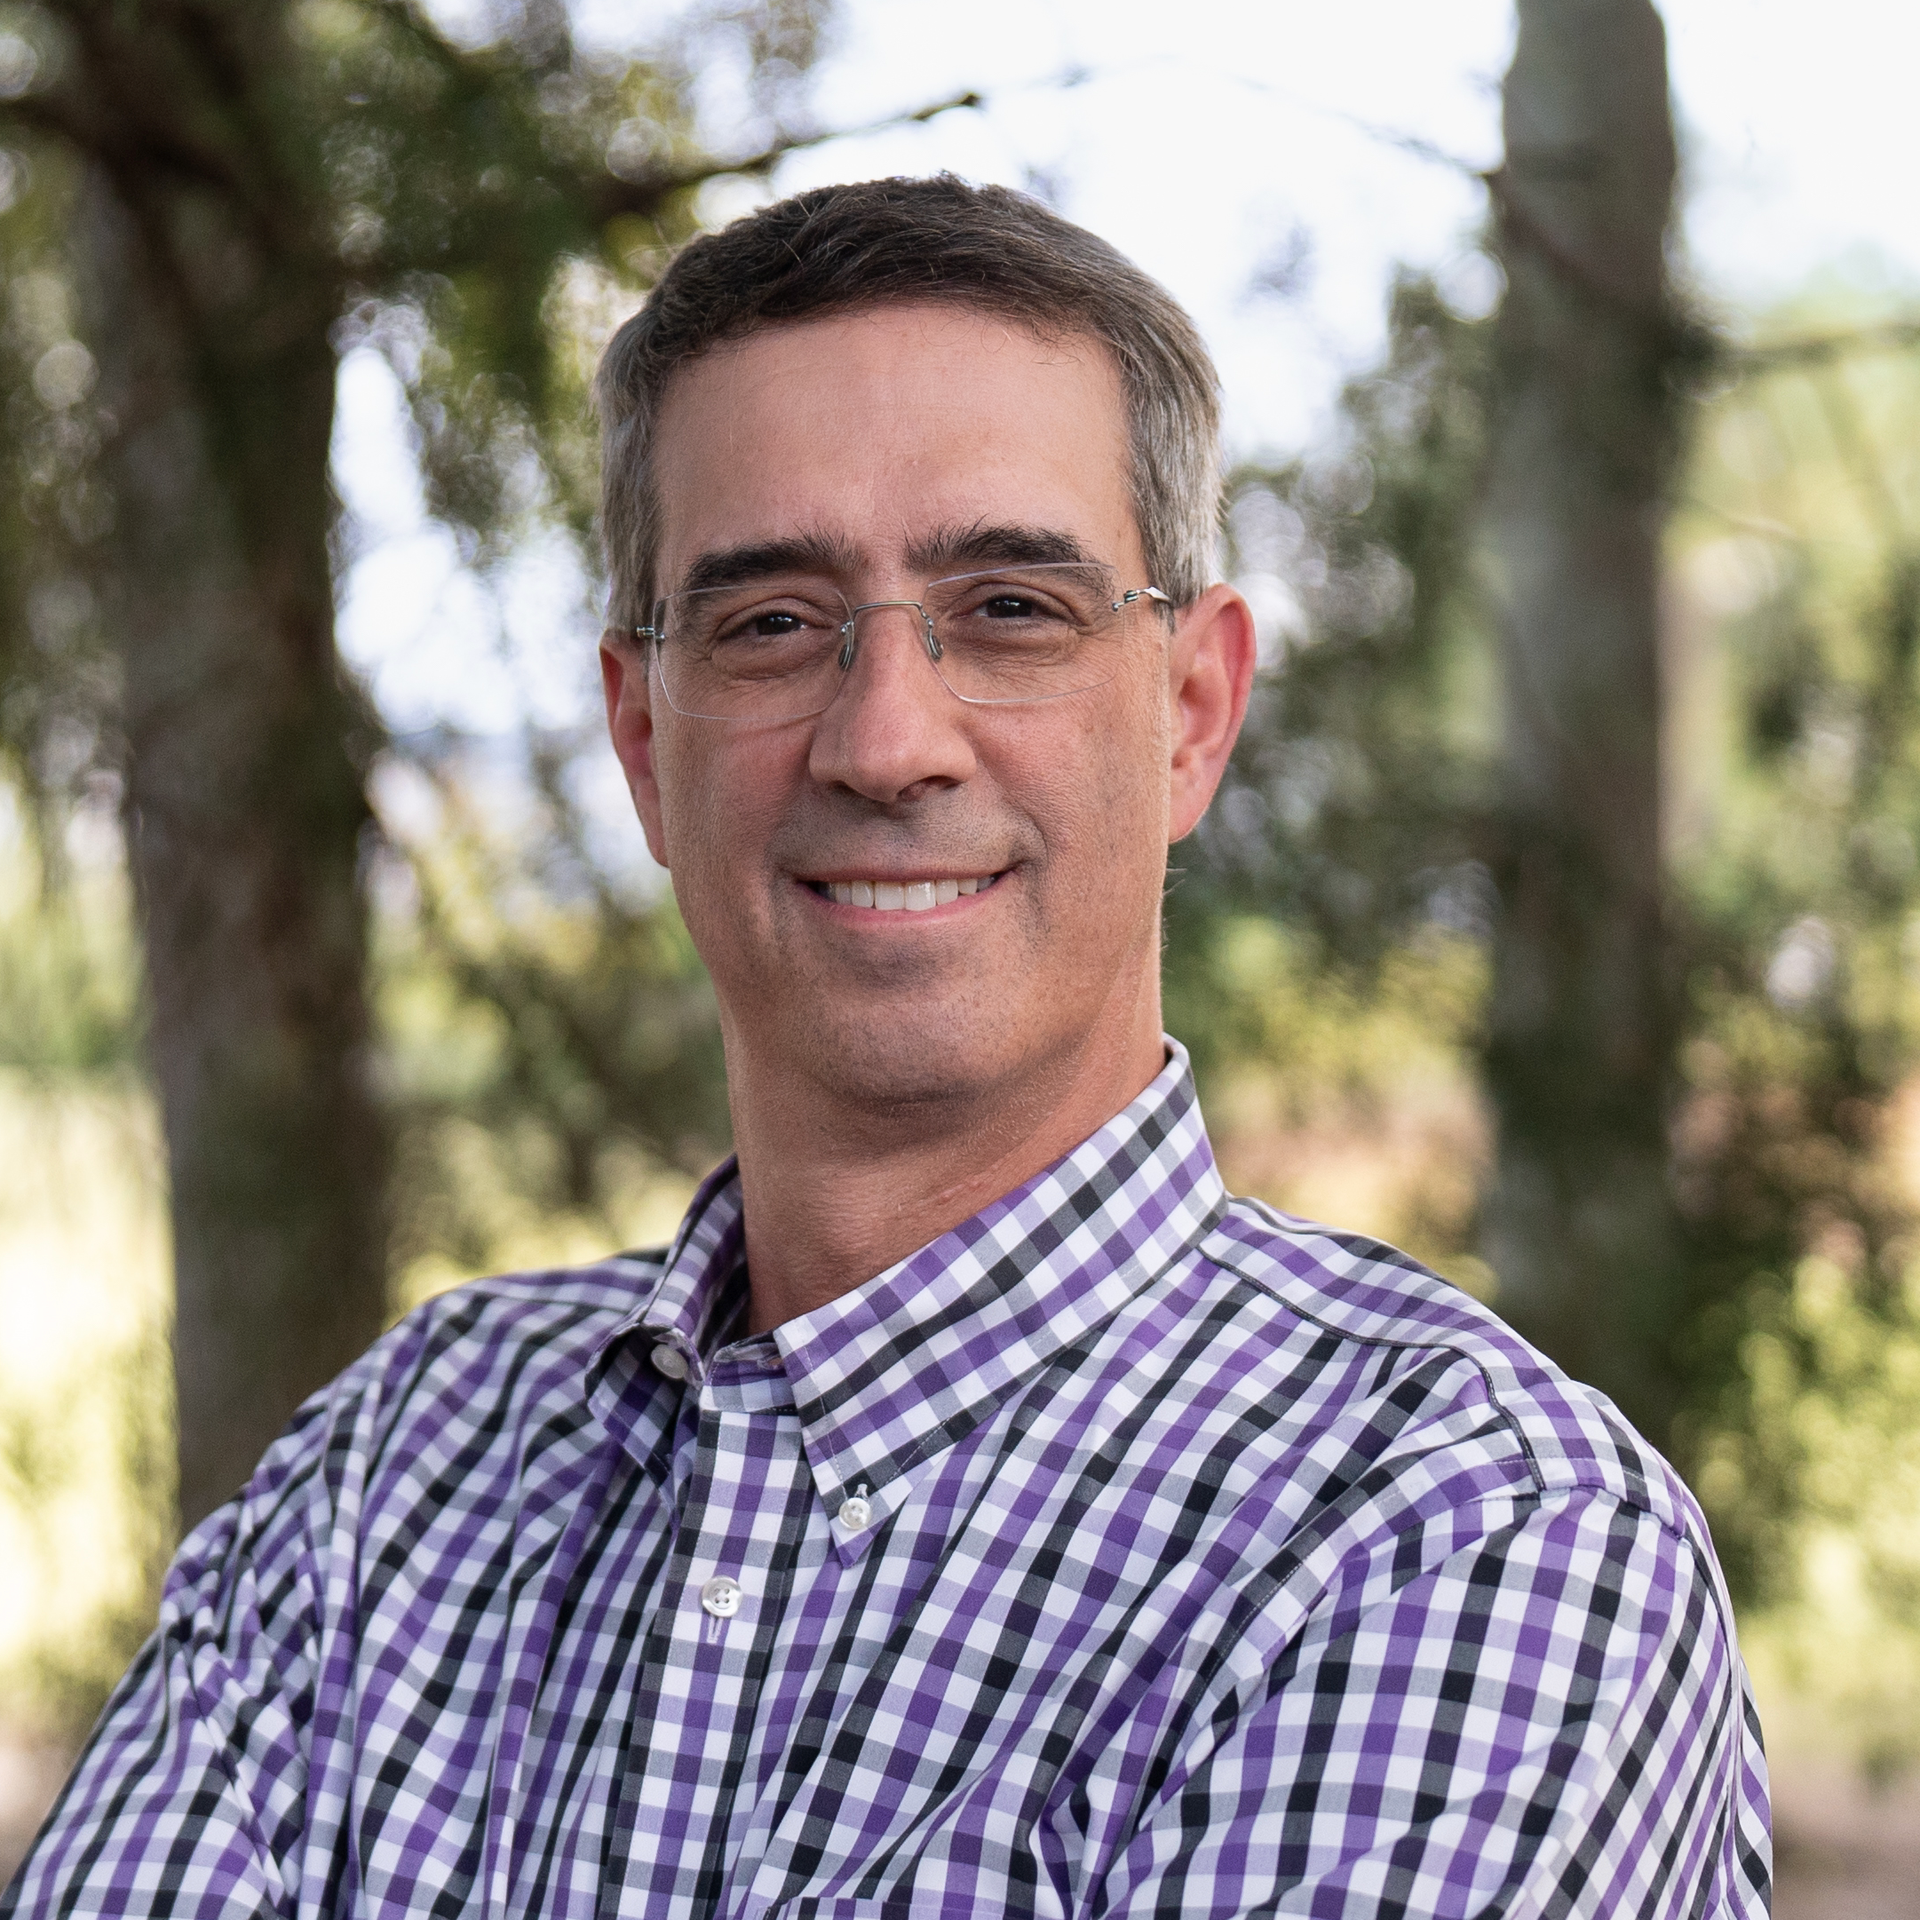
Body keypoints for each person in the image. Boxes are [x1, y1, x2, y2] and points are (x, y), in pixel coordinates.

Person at [6, 175, 1769, 1919]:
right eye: (772, 623)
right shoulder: (394, 1481)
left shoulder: (1460, 1546)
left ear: (1191, 713)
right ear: (642, 736)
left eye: (1011, 607)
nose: (887, 738)